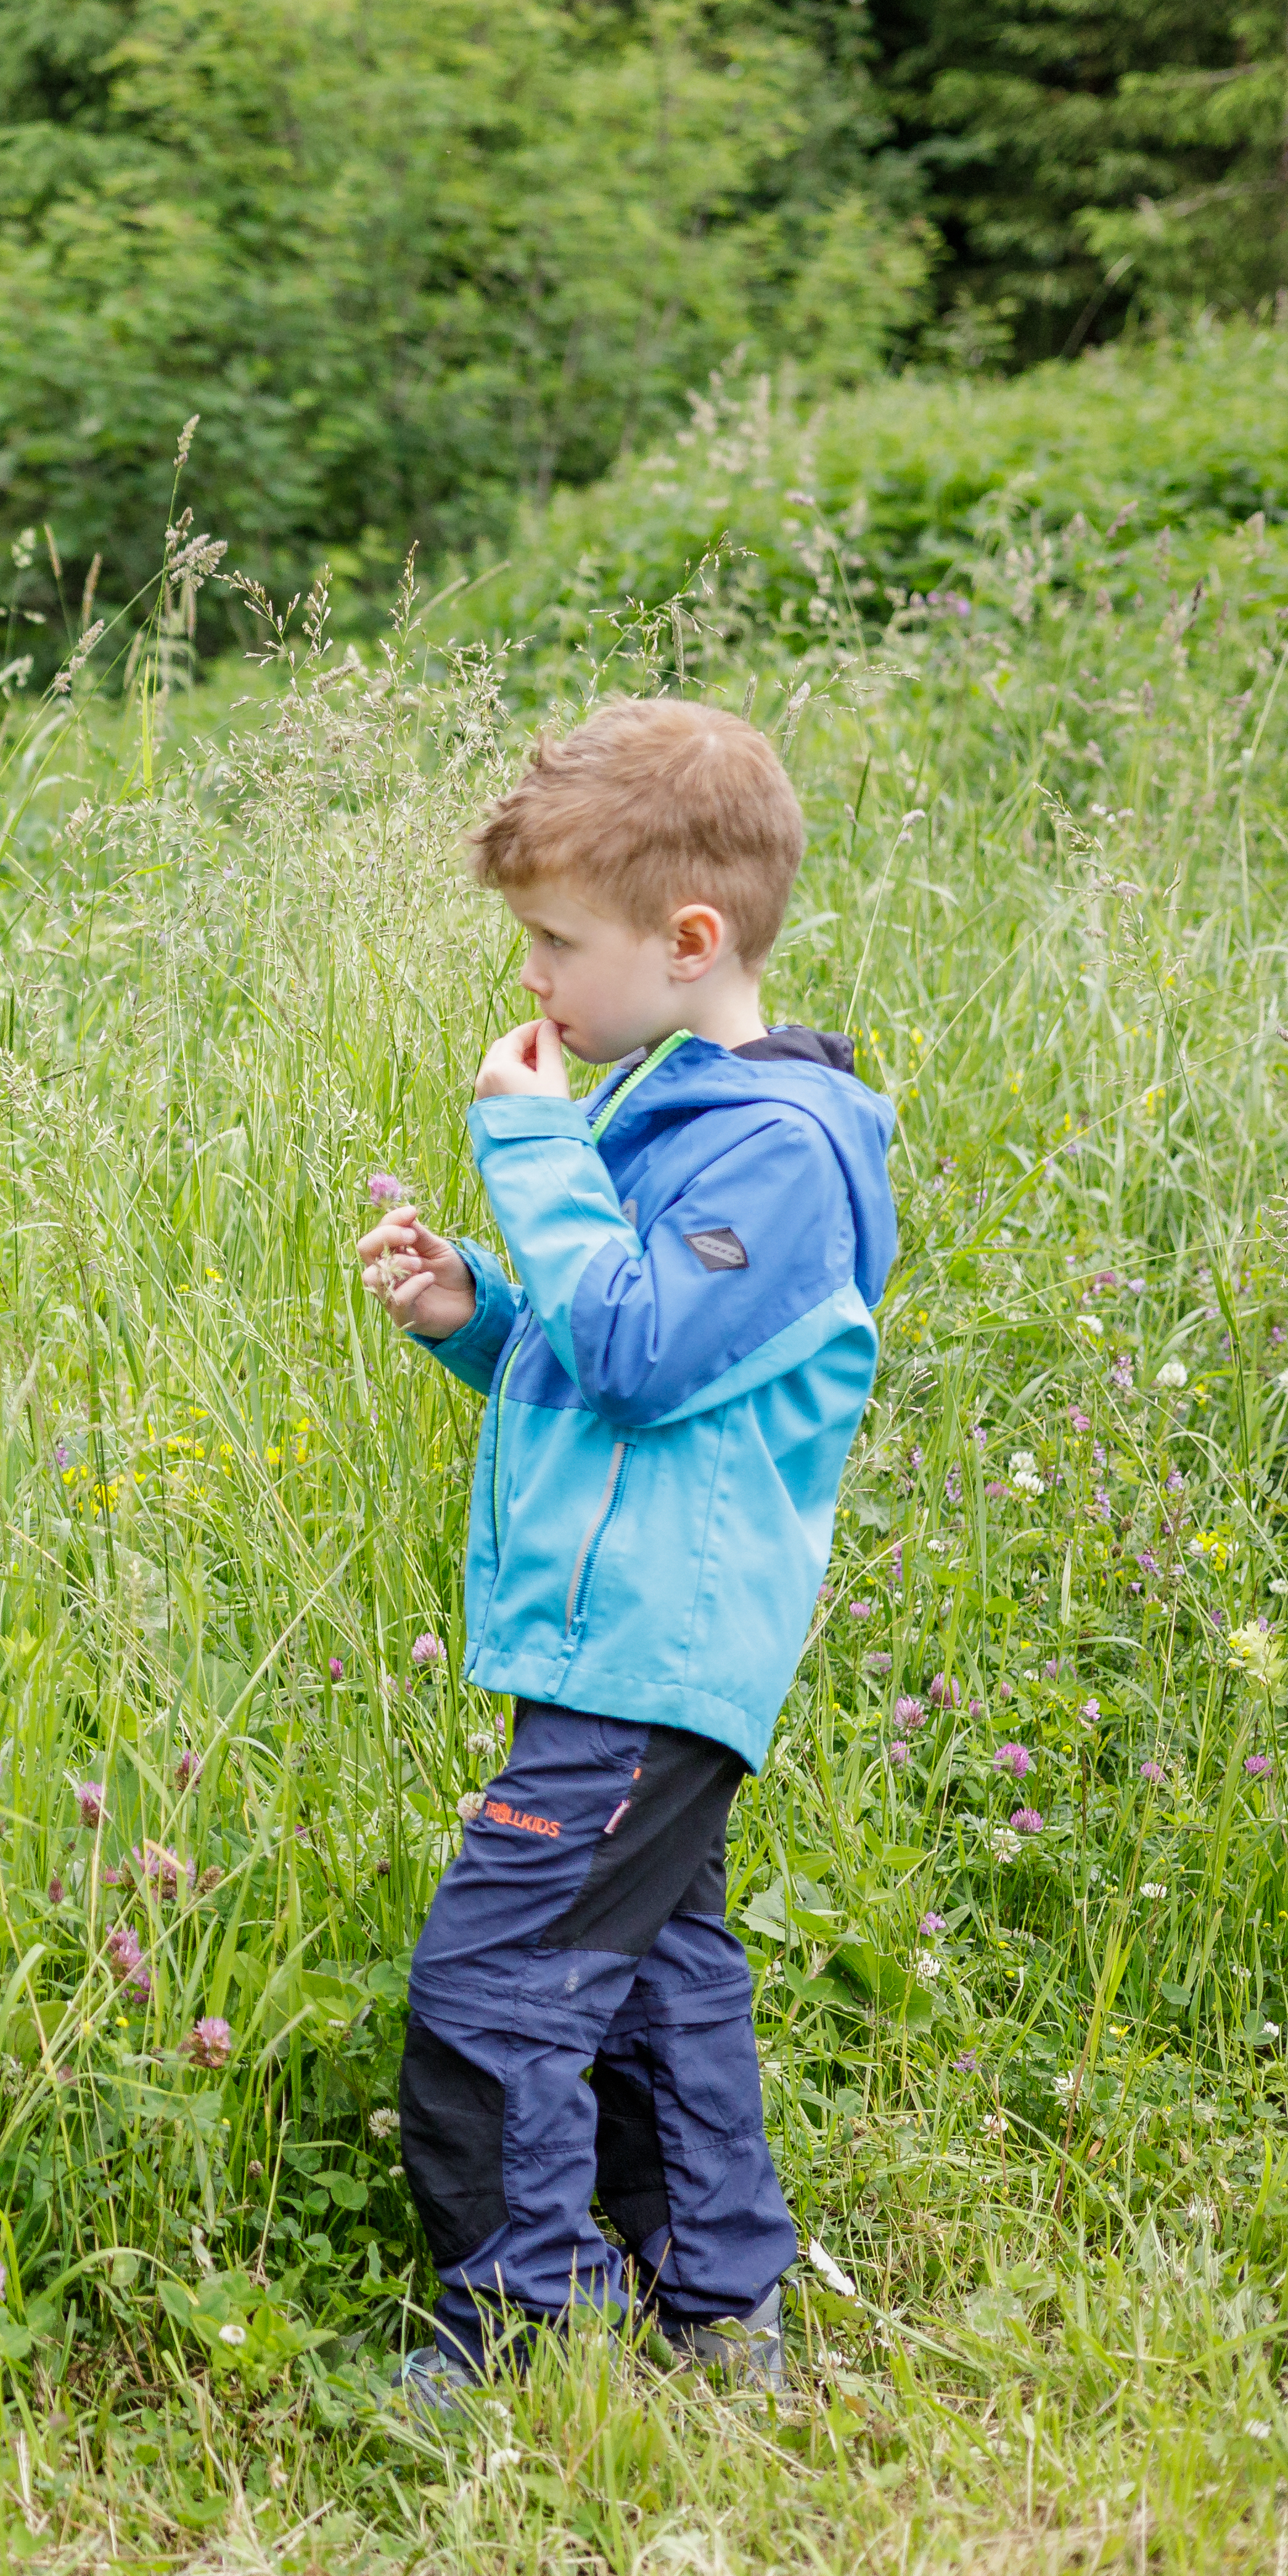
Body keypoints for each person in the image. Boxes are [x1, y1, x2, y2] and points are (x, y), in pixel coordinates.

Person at [350, 698, 897, 2407]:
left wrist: (527, 1151)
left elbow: (652, 1349)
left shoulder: (781, 1149)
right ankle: (717, 2310)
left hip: (654, 1650)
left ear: (688, 941)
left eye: (553, 945)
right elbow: (610, 1369)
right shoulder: (678, 1117)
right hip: (625, 1645)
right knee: (656, 1980)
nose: (534, 983)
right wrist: (474, 1316)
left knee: (495, 1975)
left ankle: (528, 2331)